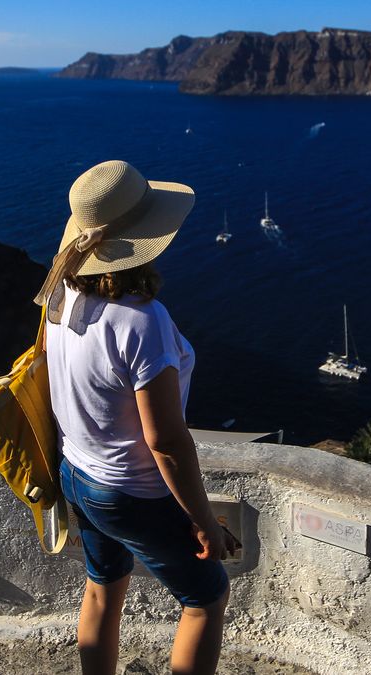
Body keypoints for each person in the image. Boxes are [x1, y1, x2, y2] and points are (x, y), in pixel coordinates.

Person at [35, 160, 238, 675]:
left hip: (78, 475)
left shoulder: (60, 294)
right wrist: (202, 520)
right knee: (205, 599)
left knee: (103, 590)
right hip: (131, 491)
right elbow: (167, 440)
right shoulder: (143, 320)